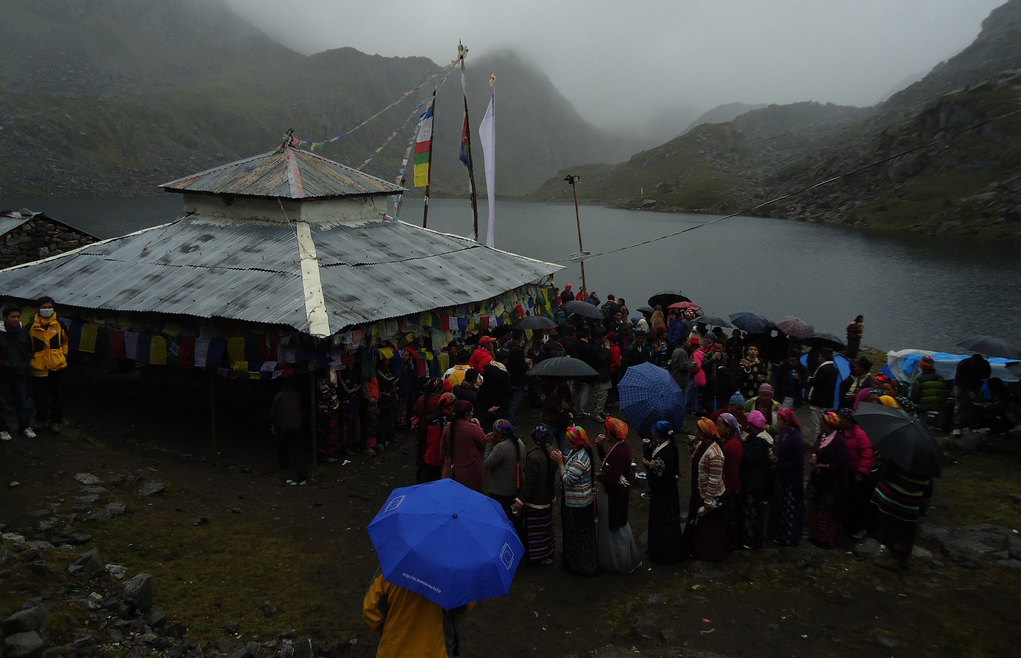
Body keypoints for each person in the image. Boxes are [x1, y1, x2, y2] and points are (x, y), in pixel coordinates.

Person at [363, 567, 474, 658]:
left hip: (392, 651)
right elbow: (464, 609)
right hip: (435, 651)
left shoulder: (392, 565)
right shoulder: (454, 572)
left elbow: (371, 613)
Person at [595, 416, 642, 573]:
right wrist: (600, 448)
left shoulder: (619, 451)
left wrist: (598, 476)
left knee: (614, 527)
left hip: (614, 495)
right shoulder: (620, 446)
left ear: (609, 433)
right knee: (618, 526)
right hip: (618, 493)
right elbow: (609, 464)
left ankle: (617, 562)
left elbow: (612, 477)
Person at [552, 425, 598, 575]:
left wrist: (560, 464)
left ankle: (579, 564)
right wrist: (563, 458)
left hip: (578, 504)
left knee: (577, 535)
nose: (566, 443)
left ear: (576, 443)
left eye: (568, 441)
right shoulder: (578, 452)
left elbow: (569, 480)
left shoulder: (580, 459)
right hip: (577, 501)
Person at [871, 461, 933, 572]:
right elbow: (928, 489)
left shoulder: (898, 457)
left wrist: (880, 465)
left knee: (891, 528)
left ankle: (892, 558)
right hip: (912, 503)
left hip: (893, 499)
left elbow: (886, 474)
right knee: (908, 530)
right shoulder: (928, 463)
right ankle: (904, 558)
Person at [681, 418, 728, 562]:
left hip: (708, 494)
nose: (695, 432)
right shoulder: (702, 444)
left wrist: (708, 500)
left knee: (706, 525)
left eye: (697, 430)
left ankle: (706, 552)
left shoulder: (715, 454)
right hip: (698, 490)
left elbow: (714, 479)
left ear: (703, 434)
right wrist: (691, 447)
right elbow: (696, 459)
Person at [805, 411, 850, 547]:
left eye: (822, 422)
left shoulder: (840, 442)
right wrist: (814, 457)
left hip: (831, 484)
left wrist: (825, 466)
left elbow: (843, 463)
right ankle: (815, 535)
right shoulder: (822, 436)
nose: (820, 424)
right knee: (815, 508)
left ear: (829, 425)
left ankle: (825, 540)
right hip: (819, 481)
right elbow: (815, 448)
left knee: (826, 511)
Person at [513, 425, 557, 564]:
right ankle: (546, 553)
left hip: (535, 500)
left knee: (534, 531)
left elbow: (529, 483)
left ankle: (535, 557)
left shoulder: (533, 456)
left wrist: (520, 500)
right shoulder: (553, 452)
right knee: (545, 528)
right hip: (547, 497)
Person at [643, 421, 682, 563]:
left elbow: (663, 472)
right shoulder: (666, 446)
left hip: (663, 493)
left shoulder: (667, 452)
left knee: (662, 523)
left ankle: (663, 553)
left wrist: (650, 465)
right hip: (664, 492)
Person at [28, 297, 68, 432]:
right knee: (40, 397)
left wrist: (63, 354)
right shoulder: (31, 326)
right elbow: (26, 346)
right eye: (44, 307)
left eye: (49, 307)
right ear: (38, 309)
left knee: (57, 396)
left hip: (57, 366)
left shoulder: (59, 324)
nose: (47, 309)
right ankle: (41, 420)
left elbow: (66, 341)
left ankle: (56, 422)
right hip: (38, 367)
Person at [767, 408, 806, 546]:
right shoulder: (784, 433)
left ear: (787, 422)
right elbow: (780, 450)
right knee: (779, 507)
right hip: (781, 478)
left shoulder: (797, 439)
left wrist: (779, 466)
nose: (777, 422)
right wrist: (775, 456)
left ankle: (788, 537)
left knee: (789, 510)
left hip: (791, 480)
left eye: (779, 420)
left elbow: (797, 462)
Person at [838, 408, 875, 540]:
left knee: (857, 503)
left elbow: (867, 455)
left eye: (842, 420)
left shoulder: (860, 434)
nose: (841, 422)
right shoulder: (843, 432)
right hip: (847, 472)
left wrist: (861, 473)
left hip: (858, 475)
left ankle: (857, 528)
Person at [0, 304, 35, 441]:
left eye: (18, 317)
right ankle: (3, 428)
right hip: (3, 374)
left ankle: (25, 426)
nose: (15, 319)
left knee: (22, 401)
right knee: (2, 403)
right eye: (12, 317)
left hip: (20, 372)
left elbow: (28, 349)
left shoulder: (23, 332)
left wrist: (27, 363)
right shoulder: (1, 334)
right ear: (5, 318)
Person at [741, 410, 773, 549]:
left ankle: (755, 539)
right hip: (755, 480)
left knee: (754, 511)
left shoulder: (759, 442)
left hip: (755, 481)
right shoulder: (757, 438)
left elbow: (750, 458)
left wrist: (742, 445)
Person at [484, 419, 526, 523]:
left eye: (494, 431)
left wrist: (489, 444)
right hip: (515, 491)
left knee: (500, 520)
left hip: (500, 492)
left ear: (499, 433)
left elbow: (488, 463)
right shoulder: (519, 443)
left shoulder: (501, 448)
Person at [440, 400, 487, 492]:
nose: (473, 414)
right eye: (472, 412)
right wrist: (479, 426)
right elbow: (483, 444)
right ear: (466, 415)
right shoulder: (473, 429)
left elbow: (443, 451)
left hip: (450, 474)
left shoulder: (448, 427)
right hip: (470, 475)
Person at [271, 378, 308, 485]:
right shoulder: (297, 396)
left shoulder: (279, 396)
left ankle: (284, 464)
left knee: (283, 446)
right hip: (297, 426)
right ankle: (302, 473)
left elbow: (273, 412)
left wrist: (275, 424)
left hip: (283, 427)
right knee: (299, 450)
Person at [717, 412, 745, 549]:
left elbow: (731, 472)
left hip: (730, 488)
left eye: (720, 425)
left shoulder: (732, 446)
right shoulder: (728, 442)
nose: (717, 427)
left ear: (728, 428)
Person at [953, 353, 990, 437]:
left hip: (976, 386)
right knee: (960, 406)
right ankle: (957, 426)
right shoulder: (963, 365)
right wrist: (969, 391)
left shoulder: (985, 364)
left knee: (974, 406)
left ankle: (973, 425)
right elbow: (959, 380)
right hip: (961, 387)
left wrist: (984, 372)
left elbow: (987, 376)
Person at [807, 348, 840, 435]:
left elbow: (816, 382)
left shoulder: (823, 369)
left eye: (820, 356)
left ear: (824, 357)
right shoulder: (835, 370)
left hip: (819, 401)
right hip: (829, 400)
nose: (819, 358)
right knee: (827, 423)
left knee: (818, 424)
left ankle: (818, 442)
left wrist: (809, 379)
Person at [910, 355, 948, 428]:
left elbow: (915, 397)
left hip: (924, 410)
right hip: (938, 410)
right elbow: (944, 395)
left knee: (925, 430)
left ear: (923, 366)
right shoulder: (941, 379)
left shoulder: (920, 379)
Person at [315, 370, 341, 463]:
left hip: (332, 411)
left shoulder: (329, 379)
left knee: (333, 433)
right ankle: (325, 455)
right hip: (325, 412)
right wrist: (335, 405)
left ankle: (332, 453)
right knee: (326, 435)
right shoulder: (321, 382)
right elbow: (326, 397)